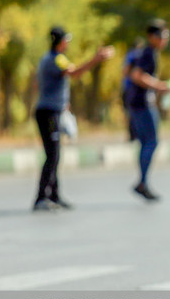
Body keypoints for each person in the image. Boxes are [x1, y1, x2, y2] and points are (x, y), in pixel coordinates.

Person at [33, 26, 114, 211]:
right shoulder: (56, 59)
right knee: (53, 156)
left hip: (49, 111)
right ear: (61, 42)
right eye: (66, 40)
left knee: (54, 155)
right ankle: (41, 197)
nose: (68, 44)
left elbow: (40, 85)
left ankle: (54, 195)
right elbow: (75, 73)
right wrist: (97, 59)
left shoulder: (46, 59)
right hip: (49, 113)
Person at [125, 19, 170, 201]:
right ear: (153, 37)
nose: (165, 40)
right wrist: (159, 85)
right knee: (151, 141)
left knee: (146, 142)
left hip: (137, 102)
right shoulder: (148, 53)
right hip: (142, 103)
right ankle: (142, 182)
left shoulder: (148, 53)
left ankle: (143, 181)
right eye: (163, 36)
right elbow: (136, 75)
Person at [122, 37, 144, 142]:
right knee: (134, 113)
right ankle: (135, 135)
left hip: (128, 88)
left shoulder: (130, 54)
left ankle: (134, 135)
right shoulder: (135, 55)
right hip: (132, 89)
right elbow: (126, 70)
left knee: (131, 113)